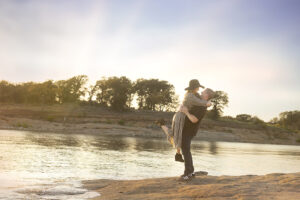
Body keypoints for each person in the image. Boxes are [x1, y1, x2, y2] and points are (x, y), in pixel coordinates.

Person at [156, 79, 211, 162]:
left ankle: (162, 124)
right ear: (194, 88)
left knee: (175, 135)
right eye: (198, 87)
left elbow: (200, 99)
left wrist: (208, 101)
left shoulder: (192, 94)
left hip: (180, 116)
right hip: (180, 117)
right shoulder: (191, 96)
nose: (199, 90)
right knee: (177, 136)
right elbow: (201, 102)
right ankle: (178, 155)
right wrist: (208, 103)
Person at [179, 87, 215, 181]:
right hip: (186, 129)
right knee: (185, 150)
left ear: (206, 95)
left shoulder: (202, 108)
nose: (201, 92)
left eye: (203, 92)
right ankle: (189, 172)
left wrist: (186, 112)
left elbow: (194, 120)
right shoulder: (199, 103)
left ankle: (188, 173)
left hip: (190, 130)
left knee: (186, 151)